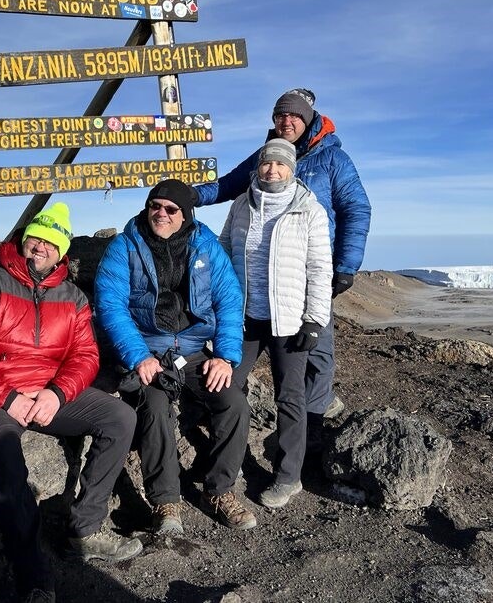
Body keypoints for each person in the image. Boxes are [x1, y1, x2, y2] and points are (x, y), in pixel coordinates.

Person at [0, 203, 142, 603]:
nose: (40, 248)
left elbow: (85, 356)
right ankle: (33, 575)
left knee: (119, 417)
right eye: (36, 238)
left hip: (49, 394)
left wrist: (58, 393)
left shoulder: (74, 298)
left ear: (62, 251)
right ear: (23, 238)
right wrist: (6, 396)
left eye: (51, 243)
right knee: (7, 458)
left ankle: (82, 532)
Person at [195, 88, 370, 436]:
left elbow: (356, 208)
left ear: (307, 119)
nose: (286, 121)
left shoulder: (333, 159)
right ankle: (249, 421)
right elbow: (228, 185)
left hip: (308, 271)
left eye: (293, 116)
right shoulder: (266, 155)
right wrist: (190, 195)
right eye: (280, 116)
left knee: (316, 349)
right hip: (261, 276)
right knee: (264, 348)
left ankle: (312, 427)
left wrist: (347, 266)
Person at [94, 180, 256, 535]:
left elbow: (229, 300)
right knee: (154, 407)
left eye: (170, 209)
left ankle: (219, 491)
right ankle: (166, 500)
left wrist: (226, 356)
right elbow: (111, 306)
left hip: (196, 350)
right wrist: (138, 355)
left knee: (234, 404)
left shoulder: (206, 245)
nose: (161, 214)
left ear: (185, 215)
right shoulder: (125, 246)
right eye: (155, 205)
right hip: (149, 349)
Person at [219, 139, 332, 508]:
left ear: (292, 169)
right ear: (259, 166)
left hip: (289, 320)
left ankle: (288, 476)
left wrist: (314, 320)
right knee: (226, 387)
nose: (273, 170)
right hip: (246, 318)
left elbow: (319, 268)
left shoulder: (308, 210)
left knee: (290, 397)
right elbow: (223, 252)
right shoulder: (241, 205)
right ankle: (227, 463)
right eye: (267, 163)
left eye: (281, 164)